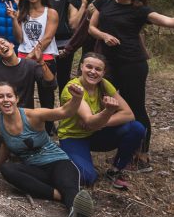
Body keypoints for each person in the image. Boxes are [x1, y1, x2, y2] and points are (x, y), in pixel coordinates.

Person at [87, 0, 174, 170]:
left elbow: (169, 21)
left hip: (132, 64)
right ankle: (115, 144)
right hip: (108, 64)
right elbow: (91, 27)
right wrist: (103, 35)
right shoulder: (104, 3)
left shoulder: (140, 11)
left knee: (136, 108)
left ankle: (142, 154)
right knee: (104, 103)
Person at [0, 81, 95, 217]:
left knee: (69, 186)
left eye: (9, 96)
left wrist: (77, 98)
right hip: (34, 169)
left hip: (57, 162)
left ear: (16, 98)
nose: (5, 100)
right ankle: (59, 195)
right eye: (0, 96)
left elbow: (64, 112)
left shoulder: (33, 115)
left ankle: (75, 216)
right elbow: (5, 145)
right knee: (7, 169)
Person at [57, 53, 145, 190]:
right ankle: (65, 154)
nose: (93, 72)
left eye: (98, 69)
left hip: (95, 134)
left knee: (136, 128)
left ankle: (115, 171)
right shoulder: (73, 88)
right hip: (73, 137)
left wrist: (102, 123)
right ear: (81, 67)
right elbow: (89, 121)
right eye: (89, 67)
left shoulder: (104, 84)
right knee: (87, 178)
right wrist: (107, 111)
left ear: (103, 72)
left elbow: (129, 114)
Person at [10, 0, 59, 132]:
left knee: (47, 94)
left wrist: (31, 56)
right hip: (23, 56)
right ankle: (24, 125)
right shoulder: (22, 12)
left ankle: (48, 126)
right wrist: (14, 19)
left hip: (45, 58)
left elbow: (47, 38)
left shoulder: (51, 12)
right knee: (23, 95)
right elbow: (19, 38)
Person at [0, 37, 55, 111]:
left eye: (3, 42)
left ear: (12, 44)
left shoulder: (30, 65)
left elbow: (51, 84)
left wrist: (41, 61)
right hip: (0, 112)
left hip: (25, 112)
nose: (2, 46)